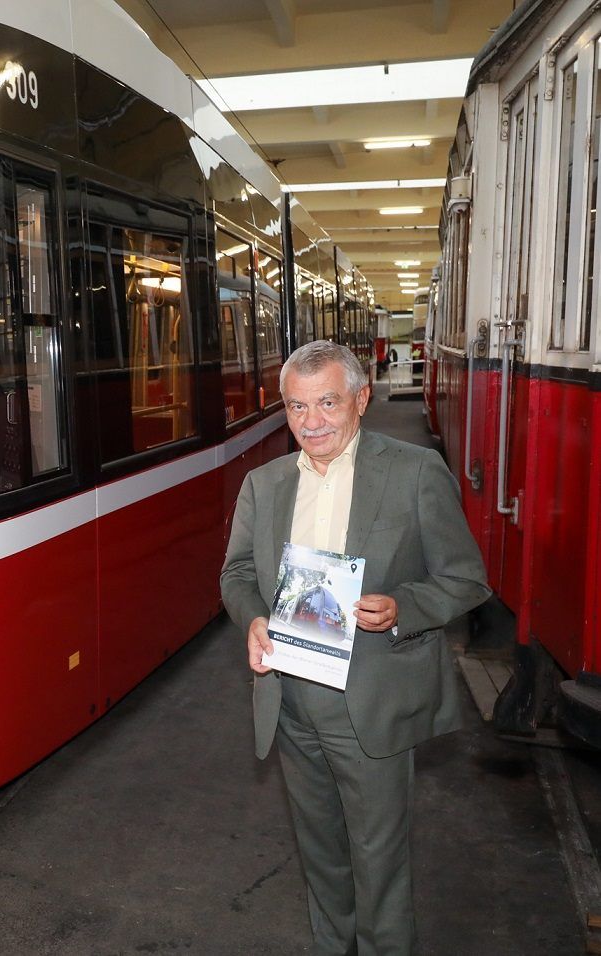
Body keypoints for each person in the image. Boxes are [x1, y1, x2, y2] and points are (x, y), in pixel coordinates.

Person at [220, 340, 489, 956]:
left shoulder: (414, 472)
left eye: (328, 403)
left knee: (379, 862)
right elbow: (235, 573)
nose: (311, 422)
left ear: (361, 400)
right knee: (321, 857)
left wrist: (404, 607)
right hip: (289, 701)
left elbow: (465, 578)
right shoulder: (264, 485)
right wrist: (254, 619)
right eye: (296, 407)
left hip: (368, 702)